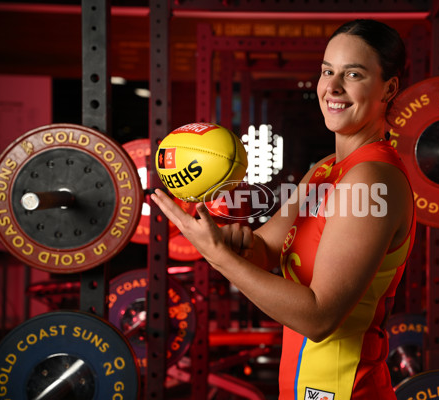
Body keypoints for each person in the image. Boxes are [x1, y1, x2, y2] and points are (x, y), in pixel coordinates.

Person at [151, 19, 415, 400]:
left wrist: (221, 260)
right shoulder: (325, 169)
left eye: (353, 74)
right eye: (327, 71)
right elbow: (265, 250)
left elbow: (319, 318)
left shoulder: (372, 179)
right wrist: (224, 241)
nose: (333, 87)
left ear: (389, 88)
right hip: (305, 385)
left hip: (346, 390)